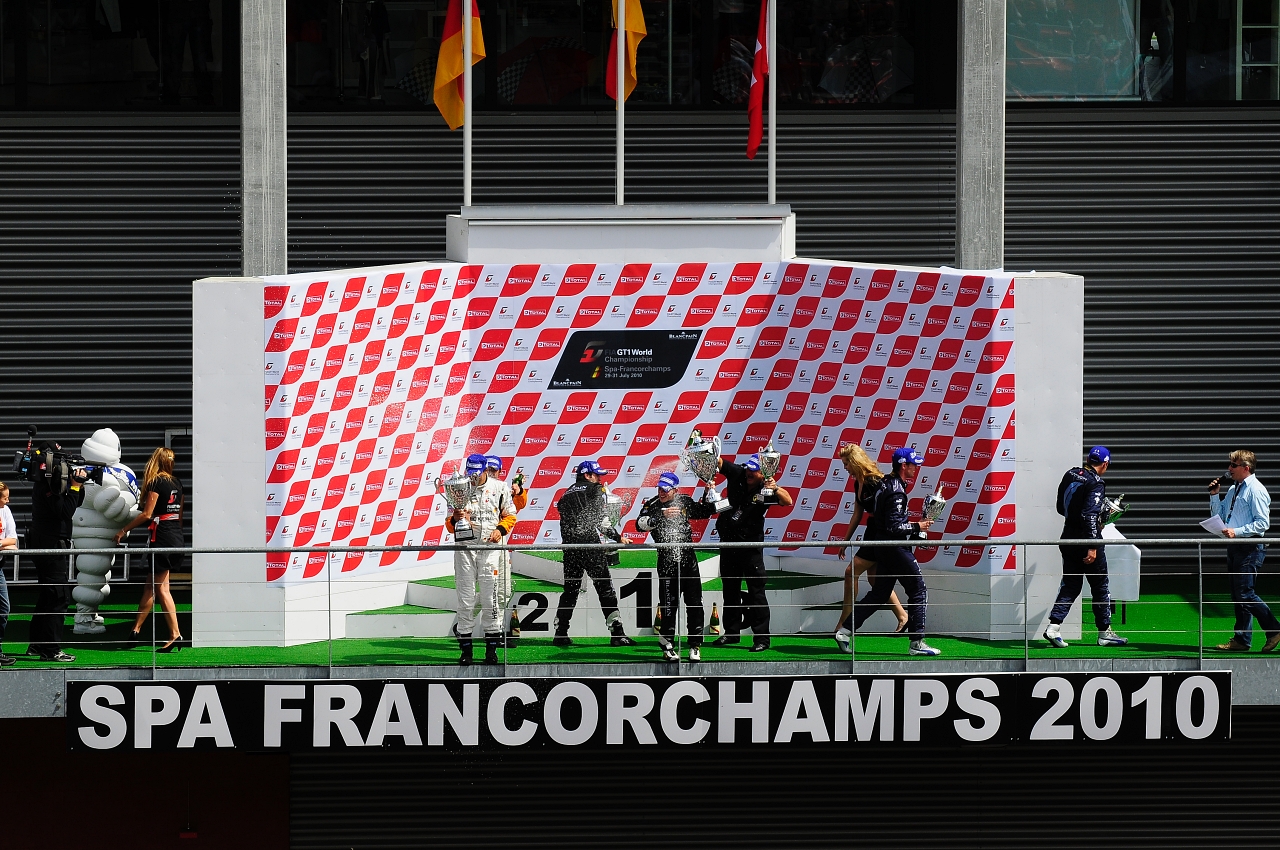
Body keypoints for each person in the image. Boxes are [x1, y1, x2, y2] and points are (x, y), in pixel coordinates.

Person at [844, 447, 942, 656]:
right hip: (893, 548)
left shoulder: (886, 482)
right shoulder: (896, 489)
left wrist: (914, 529)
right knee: (918, 590)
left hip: (882, 546)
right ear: (903, 465)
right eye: (913, 464)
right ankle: (917, 642)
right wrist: (917, 526)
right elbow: (894, 527)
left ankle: (844, 631)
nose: (916, 468)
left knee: (879, 593)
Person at [1042, 446, 1127, 648]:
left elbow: (1060, 507)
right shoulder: (1096, 483)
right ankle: (1104, 633)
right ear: (1105, 464)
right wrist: (1092, 545)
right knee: (1100, 585)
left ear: (1088, 460)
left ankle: (1053, 627)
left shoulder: (1070, 473)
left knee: (1070, 584)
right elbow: (1089, 516)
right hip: (1087, 540)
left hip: (1067, 537)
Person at [709, 454, 793, 652]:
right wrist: (705, 449)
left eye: (754, 470)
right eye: (748, 468)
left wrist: (775, 488)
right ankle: (731, 633)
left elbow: (788, 501)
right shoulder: (738, 472)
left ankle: (762, 639)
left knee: (756, 593)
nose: (749, 473)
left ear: (763, 474)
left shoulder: (766, 487)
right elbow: (719, 462)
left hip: (751, 548)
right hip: (728, 544)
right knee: (730, 590)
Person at [833, 443, 908, 652]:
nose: (845, 468)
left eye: (846, 463)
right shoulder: (857, 482)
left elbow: (890, 512)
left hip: (880, 533)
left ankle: (844, 624)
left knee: (851, 572)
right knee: (875, 580)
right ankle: (903, 616)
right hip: (872, 532)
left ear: (855, 462)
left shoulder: (876, 481)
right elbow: (857, 514)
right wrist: (845, 541)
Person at [553, 460, 637, 648]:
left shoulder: (565, 494)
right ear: (587, 475)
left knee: (570, 590)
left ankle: (560, 633)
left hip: (570, 548)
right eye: (597, 475)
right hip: (590, 546)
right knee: (605, 588)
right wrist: (617, 537)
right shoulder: (595, 489)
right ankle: (617, 634)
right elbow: (601, 520)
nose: (599, 479)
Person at [444, 454, 517, 665]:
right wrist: (455, 519)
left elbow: (510, 515)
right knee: (466, 600)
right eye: (470, 473)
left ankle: (491, 651)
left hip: (490, 549)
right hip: (464, 550)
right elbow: (449, 526)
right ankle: (466, 652)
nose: (473, 477)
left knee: (490, 599)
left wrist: (500, 530)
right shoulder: (459, 487)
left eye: (477, 473)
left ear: (485, 470)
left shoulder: (500, 488)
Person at [635, 472, 716, 662]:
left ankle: (695, 645)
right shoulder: (652, 504)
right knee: (669, 605)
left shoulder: (684, 501)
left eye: (666, 489)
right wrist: (660, 516)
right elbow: (639, 524)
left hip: (689, 560)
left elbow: (704, 512)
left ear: (675, 490)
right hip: (667, 561)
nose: (662, 492)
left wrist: (708, 494)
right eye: (660, 488)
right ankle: (667, 645)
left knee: (695, 603)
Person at [114, 447, 185, 652]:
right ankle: (135, 630)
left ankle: (175, 634)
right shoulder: (177, 483)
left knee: (161, 588)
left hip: (162, 537)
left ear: (155, 461)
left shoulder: (156, 482)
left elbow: (147, 514)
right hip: (175, 536)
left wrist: (123, 530)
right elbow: (179, 515)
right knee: (151, 586)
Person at [1208, 450, 1280, 652]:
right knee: (1238, 594)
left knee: (1244, 593)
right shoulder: (1234, 489)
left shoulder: (1256, 490)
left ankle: (1274, 629)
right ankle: (1242, 639)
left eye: (1233, 465)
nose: (1229, 468)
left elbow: (1262, 524)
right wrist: (1214, 495)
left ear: (1246, 468)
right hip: (1235, 546)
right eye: (1230, 464)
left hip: (1250, 547)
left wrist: (1237, 531)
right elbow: (1220, 515)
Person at [27, 441, 86, 662]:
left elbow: (74, 502)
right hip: (50, 544)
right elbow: (65, 511)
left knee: (47, 595)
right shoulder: (47, 483)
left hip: (45, 542)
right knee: (59, 596)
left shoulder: (47, 481)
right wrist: (75, 486)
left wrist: (78, 486)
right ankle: (51, 649)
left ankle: (37, 644)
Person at [0, 483, 17, 666]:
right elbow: (9, 543)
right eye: (5, 497)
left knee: (4, 608)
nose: (8, 500)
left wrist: (0, 543)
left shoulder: (5, 511)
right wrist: (4, 544)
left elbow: (13, 540)